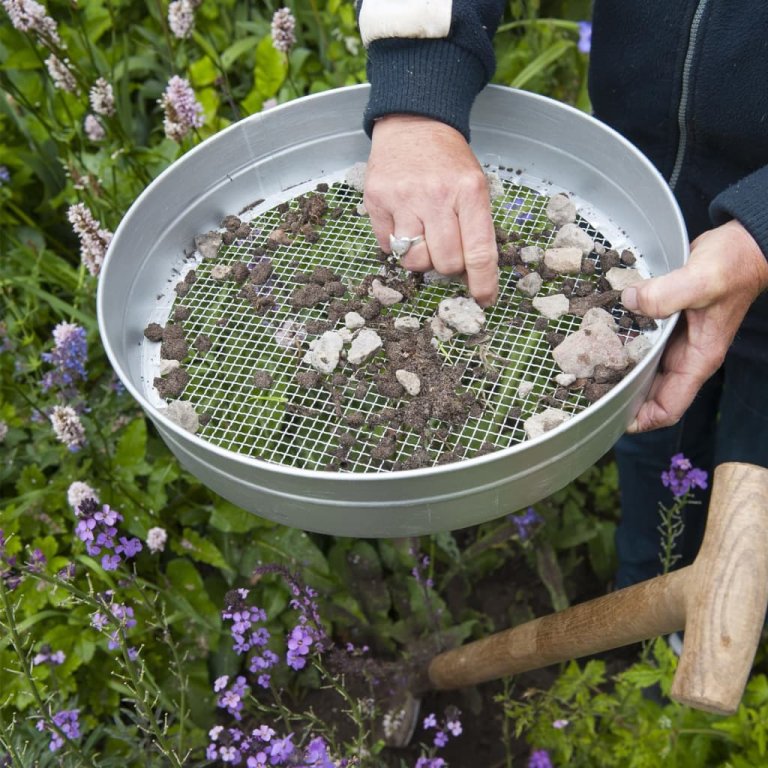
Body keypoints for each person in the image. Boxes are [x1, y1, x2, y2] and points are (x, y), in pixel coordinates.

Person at [357, 0, 768, 587]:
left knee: (756, 485)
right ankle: (647, 606)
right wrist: (419, 83)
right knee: (651, 439)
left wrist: (761, 232)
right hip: (635, 206)